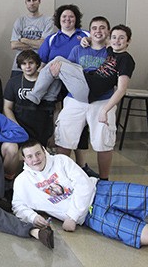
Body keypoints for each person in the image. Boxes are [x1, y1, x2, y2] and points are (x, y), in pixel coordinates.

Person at [13, 139, 148, 248]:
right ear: (24, 159)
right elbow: (18, 206)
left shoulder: (60, 161)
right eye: (29, 157)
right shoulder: (23, 182)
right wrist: (33, 217)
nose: (35, 159)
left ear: (44, 151)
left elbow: (84, 186)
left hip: (100, 192)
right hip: (91, 216)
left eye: (38, 154)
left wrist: (71, 217)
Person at [56, 16, 117, 180]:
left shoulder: (112, 52)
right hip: (76, 99)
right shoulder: (78, 49)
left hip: (103, 100)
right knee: (64, 137)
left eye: (102, 27)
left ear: (108, 31)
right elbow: (68, 71)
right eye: (95, 28)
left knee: (103, 141)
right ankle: (62, 178)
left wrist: (110, 44)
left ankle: (104, 180)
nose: (98, 31)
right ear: (89, 32)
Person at [26, 25, 135, 114]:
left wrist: (105, 110)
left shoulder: (126, 59)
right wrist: (87, 39)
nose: (117, 40)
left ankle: (35, 95)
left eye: (122, 38)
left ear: (128, 41)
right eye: (114, 37)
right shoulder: (112, 51)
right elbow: (103, 40)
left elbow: (121, 90)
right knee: (58, 59)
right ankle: (50, 97)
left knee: (57, 63)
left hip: (88, 90)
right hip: (86, 81)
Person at [38, 4, 91, 171]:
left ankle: (82, 165)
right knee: (57, 117)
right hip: (56, 84)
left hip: (77, 86)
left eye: (71, 17)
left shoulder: (85, 36)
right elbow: (43, 63)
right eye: (64, 17)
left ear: (76, 19)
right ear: (58, 20)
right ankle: (58, 162)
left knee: (79, 123)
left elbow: (99, 48)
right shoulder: (52, 39)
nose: (67, 20)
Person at [3, 50, 55, 147]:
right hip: (21, 127)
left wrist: (54, 133)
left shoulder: (48, 81)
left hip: (43, 129)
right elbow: (7, 107)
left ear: (37, 64)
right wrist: (16, 127)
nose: (27, 66)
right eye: (24, 64)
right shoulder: (13, 82)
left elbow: (57, 109)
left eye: (31, 63)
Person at [10, 0, 56, 77]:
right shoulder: (20, 21)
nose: (32, 3)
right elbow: (14, 45)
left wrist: (24, 40)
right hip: (19, 66)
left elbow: (44, 44)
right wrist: (36, 43)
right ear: (26, 3)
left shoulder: (48, 21)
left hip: (39, 66)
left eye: (34, 0)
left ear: (39, 1)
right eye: (29, 1)